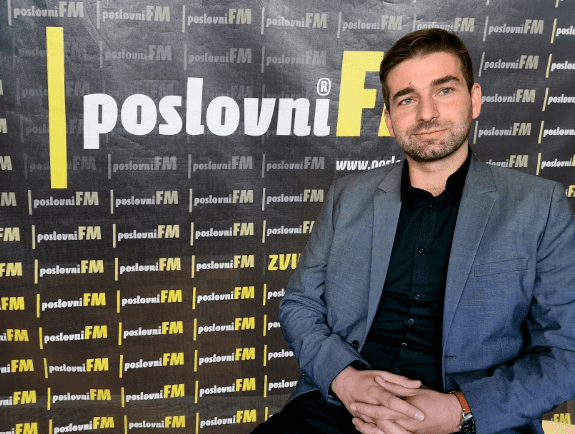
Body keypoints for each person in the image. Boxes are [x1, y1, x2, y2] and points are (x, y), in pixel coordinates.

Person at [252, 29, 575, 434]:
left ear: (474, 99)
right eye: (407, 99)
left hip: (475, 417)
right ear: (390, 119)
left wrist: (459, 411)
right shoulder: (346, 196)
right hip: (342, 406)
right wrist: (345, 379)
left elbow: (566, 351)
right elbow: (300, 305)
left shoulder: (540, 205)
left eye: (444, 91)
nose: (426, 114)